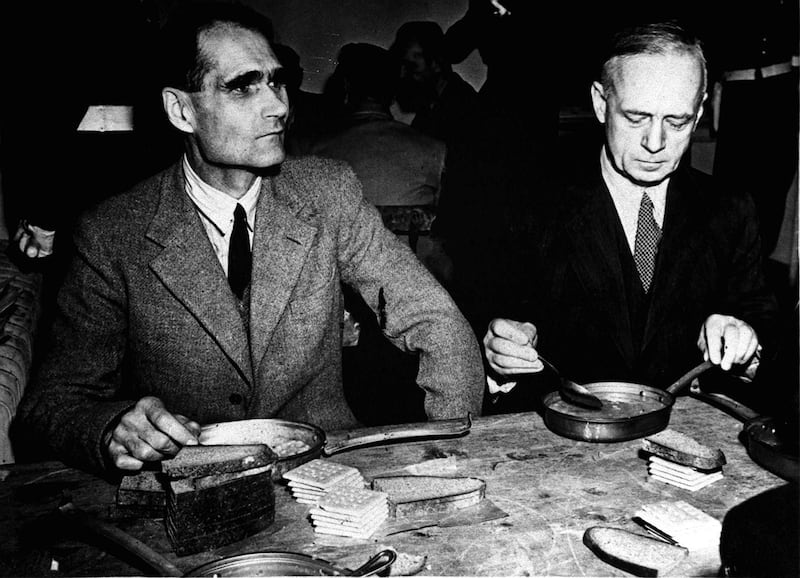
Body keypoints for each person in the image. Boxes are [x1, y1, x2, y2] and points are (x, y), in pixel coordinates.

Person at [13, 2, 485, 475]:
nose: (279, 105)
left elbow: (435, 320)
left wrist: (448, 459)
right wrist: (114, 425)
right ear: (181, 110)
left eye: (276, 81)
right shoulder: (112, 233)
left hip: (325, 478)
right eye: (243, 87)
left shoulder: (328, 192)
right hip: (188, 491)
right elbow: (54, 402)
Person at [480, 21, 778, 412]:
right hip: (564, 437)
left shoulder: (731, 210)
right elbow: (496, 317)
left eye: (677, 121)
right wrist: (501, 351)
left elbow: (760, 325)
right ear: (601, 103)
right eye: (636, 118)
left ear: (701, 109)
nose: (655, 144)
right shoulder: (532, 204)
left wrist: (745, 341)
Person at [309, 42, 449, 425]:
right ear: (391, 91)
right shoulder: (434, 150)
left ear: (346, 90)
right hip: (419, 324)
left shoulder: (311, 157)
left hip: (340, 331)